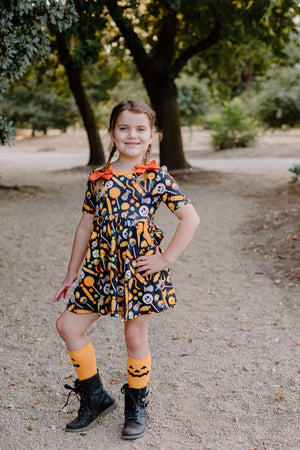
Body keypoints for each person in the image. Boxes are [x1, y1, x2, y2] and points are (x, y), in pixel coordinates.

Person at [53, 99, 200, 439]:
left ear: (152, 137)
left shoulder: (155, 177)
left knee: (134, 337)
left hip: (139, 271)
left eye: (140, 129)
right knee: (67, 326)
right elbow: (84, 227)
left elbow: (190, 218)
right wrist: (71, 272)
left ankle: (136, 403)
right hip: (100, 270)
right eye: (124, 128)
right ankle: (95, 397)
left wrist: (165, 259)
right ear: (112, 133)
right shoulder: (99, 179)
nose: (132, 135)